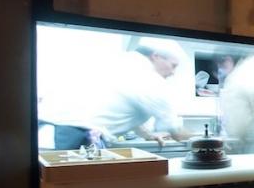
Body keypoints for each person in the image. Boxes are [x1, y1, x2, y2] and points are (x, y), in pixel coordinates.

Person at [41, 36, 192, 149]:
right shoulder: (150, 79)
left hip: (49, 128)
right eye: (173, 66)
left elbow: (126, 109)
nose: (173, 72)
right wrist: (198, 140)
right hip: (75, 133)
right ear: (156, 56)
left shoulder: (124, 61)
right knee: (77, 181)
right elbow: (175, 130)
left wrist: (148, 135)